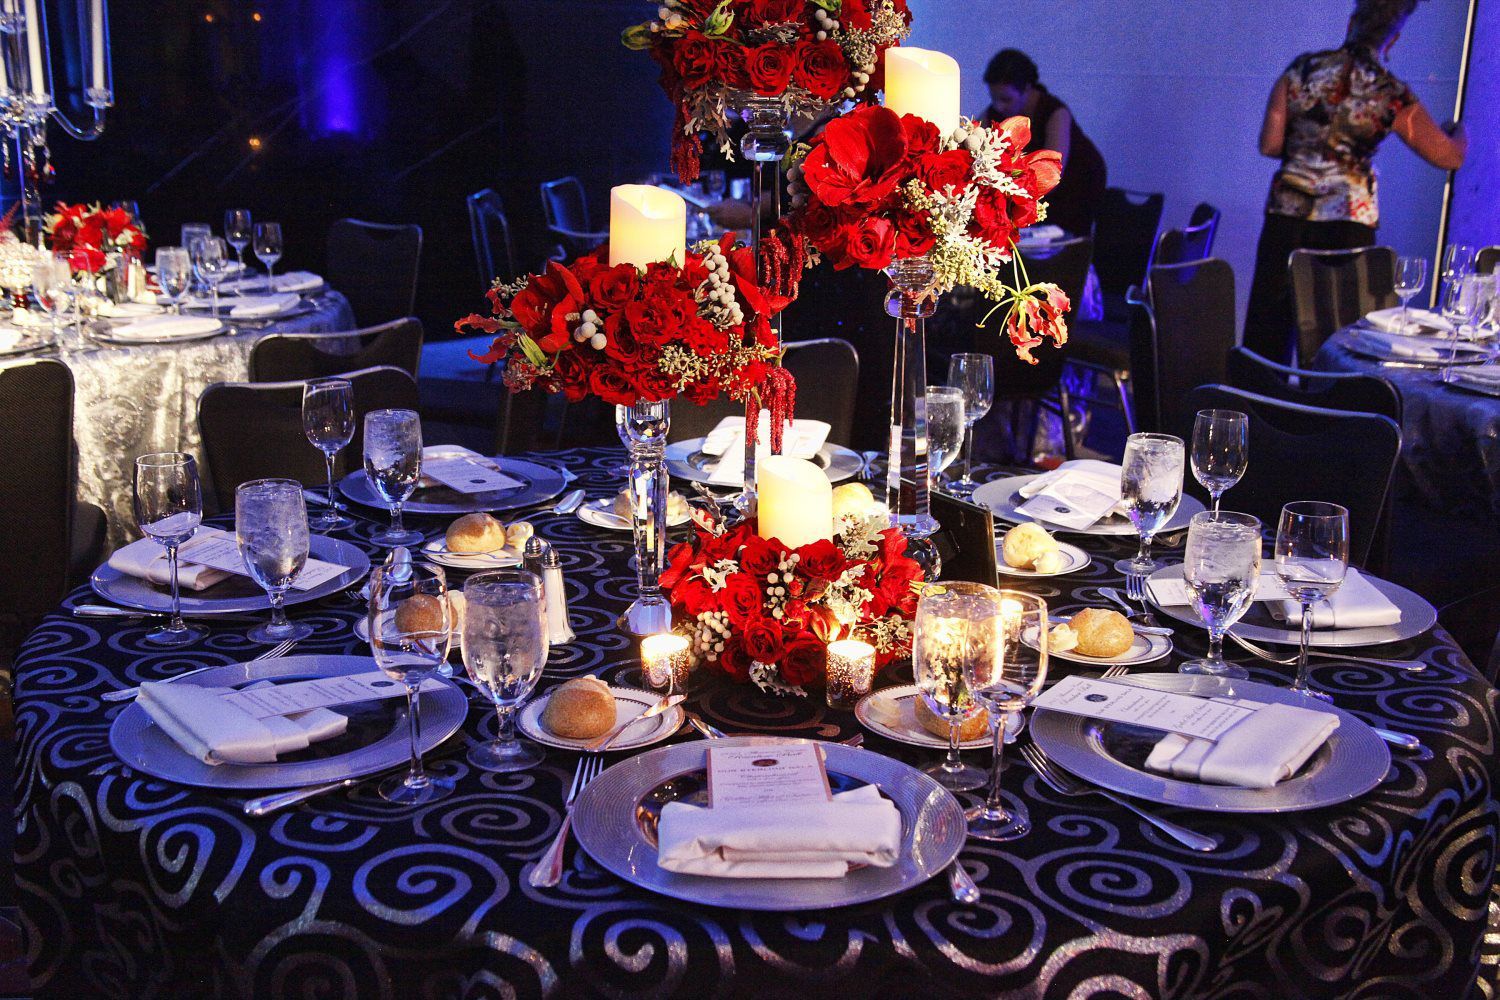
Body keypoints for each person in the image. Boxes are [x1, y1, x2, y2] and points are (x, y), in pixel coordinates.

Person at [1243, 0, 1467, 363]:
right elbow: (1448, 156)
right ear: (1391, 41)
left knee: (1266, 341)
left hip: (1286, 215)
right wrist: (1459, 133)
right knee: (1338, 345)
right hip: (1347, 223)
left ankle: (1260, 414)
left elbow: (1269, 144)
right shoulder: (1389, 91)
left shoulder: (1301, 70)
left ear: (1350, 24)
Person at [978, 49, 1107, 239]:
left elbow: (1053, 170)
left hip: (1075, 190)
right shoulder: (995, 112)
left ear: (1027, 89)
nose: (998, 106)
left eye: (1005, 99)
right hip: (1030, 193)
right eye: (993, 98)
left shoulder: (1055, 113)